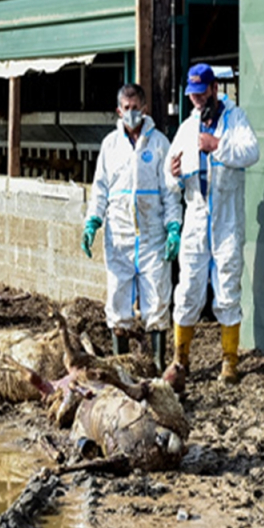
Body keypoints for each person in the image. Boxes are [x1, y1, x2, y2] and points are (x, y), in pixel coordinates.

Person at [163, 64, 259, 387]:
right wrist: (173, 173)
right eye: (192, 96)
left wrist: (218, 146)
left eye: (201, 94)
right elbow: (169, 173)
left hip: (227, 220)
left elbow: (251, 151)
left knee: (228, 287)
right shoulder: (187, 127)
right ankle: (181, 358)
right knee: (188, 288)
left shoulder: (236, 119)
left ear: (214, 89)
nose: (197, 101)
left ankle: (229, 361)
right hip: (196, 218)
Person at [81, 82, 179, 371]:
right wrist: (92, 222)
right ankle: (119, 364)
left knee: (157, 299)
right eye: (127, 108)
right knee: (118, 299)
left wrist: (173, 227)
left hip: (152, 236)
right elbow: (99, 189)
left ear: (145, 108)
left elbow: (170, 190)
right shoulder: (110, 146)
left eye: (136, 108)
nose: (132, 113)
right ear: (118, 111)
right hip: (120, 236)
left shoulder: (160, 143)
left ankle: (159, 364)